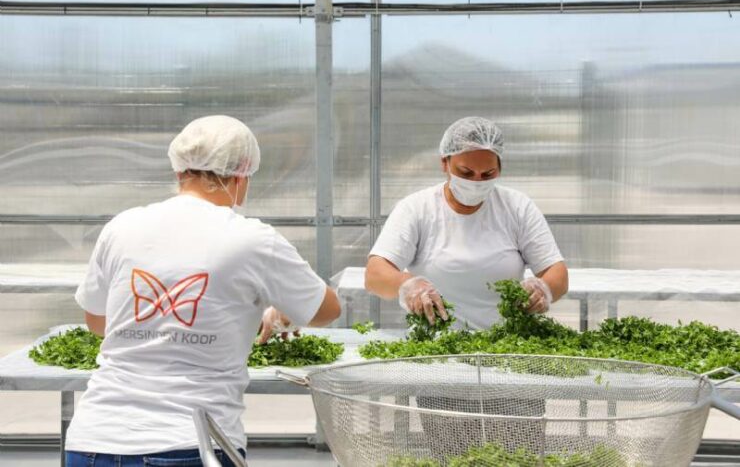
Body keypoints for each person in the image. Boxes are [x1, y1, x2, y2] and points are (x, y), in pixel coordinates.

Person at [65, 115, 341, 467]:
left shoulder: (122, 226)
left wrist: (159, 327)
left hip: (92, 441)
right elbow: (327, 310)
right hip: (187, 444)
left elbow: (97, 321)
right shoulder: (252, 239)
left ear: (179, 170)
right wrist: (278, 312)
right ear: (241, 174)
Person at [366, 116, 568, 329]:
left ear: (499, 167)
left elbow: (557, 273)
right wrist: (407, 285)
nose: (476, 182)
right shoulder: (417, 208)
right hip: (435, 342)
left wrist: (543, 289)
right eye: (466, 173)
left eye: (488, 174)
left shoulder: (517, 207)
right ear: (445, 163)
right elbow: (375, 274)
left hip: (506, 339)